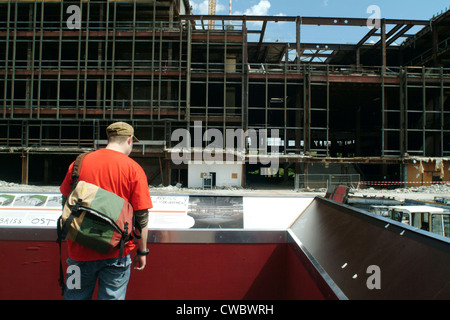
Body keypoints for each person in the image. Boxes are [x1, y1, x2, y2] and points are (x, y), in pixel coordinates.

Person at [60, 121, 153, 300]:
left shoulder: (78, 163)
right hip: (116, 255)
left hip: (78, 253)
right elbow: (142, 217)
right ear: (129, 140)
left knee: (74, 296)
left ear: (109, 138)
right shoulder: (134, 169)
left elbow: (66, 203)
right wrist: (142, 252)